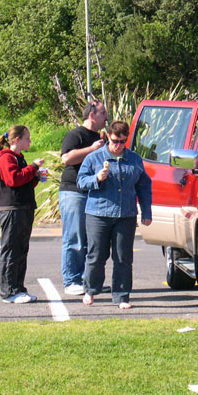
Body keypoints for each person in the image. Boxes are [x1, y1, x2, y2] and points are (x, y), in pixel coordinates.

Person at [77, 121, 152, 309]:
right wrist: (96, 178)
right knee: (96, 255)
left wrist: (146, 211)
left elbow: (144, 186)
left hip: (125, 214)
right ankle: (91, 289)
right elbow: (80, 181)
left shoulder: (134, 159)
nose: (118, 146)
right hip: (98, 213)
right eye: (114, 141)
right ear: (107, 137)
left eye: (122, 142)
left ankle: (121, 295)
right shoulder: (94, 158)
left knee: (123, 257)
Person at [59, 101, 108, 296]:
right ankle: (71, 280)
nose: (106, 116)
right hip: (74, 192)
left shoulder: (100, 138)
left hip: (93, 192)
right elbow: (67, 158)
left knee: (93, 239)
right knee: (75, 237)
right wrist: (91, 149)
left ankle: (90, 282)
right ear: (91, 115)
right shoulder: (76, 135)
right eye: (103, 112)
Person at [0, 125, 45, 304]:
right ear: (17, 140)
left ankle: (18, 287)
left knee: (21, 250)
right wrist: (32, 167)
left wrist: (35, 177)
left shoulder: (19, 158)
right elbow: (12, 179)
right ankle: (8, 291)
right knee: (11, 250)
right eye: (27, 138)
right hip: (12, 209)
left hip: (24, 208)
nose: (29, 141)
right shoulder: (7, 157)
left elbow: (22, 182)